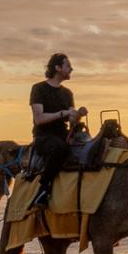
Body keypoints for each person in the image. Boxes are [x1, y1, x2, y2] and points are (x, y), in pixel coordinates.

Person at [29, 53, 87, 208]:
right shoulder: (39, 89)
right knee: (60, 149)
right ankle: (43, 189)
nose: (71, 69)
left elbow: (71, 120)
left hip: (64, 135)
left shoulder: (67, 93)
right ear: (57, 68)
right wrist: (62, 113)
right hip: (44, 136)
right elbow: (39, 119)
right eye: (68, 66)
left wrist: (78, 114)